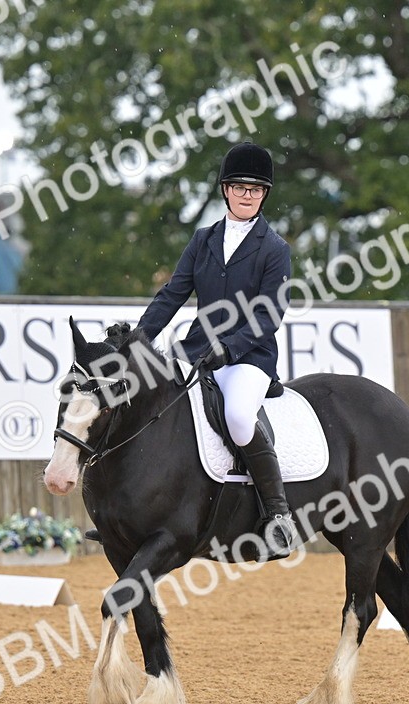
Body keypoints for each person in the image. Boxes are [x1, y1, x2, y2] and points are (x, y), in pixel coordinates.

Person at [132, 141, 296, 560]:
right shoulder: (204, 239)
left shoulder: (274, 249)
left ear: (264, 195)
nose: (247, 194)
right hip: (198, 351)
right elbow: (173, 293)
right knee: (156, 409)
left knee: (239, 417)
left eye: (256, 189)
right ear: (225, 189)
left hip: (249, 358)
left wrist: (232, 348)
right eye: (240, 186)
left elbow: (269, 314)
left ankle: (278, 516)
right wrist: (140, 337)